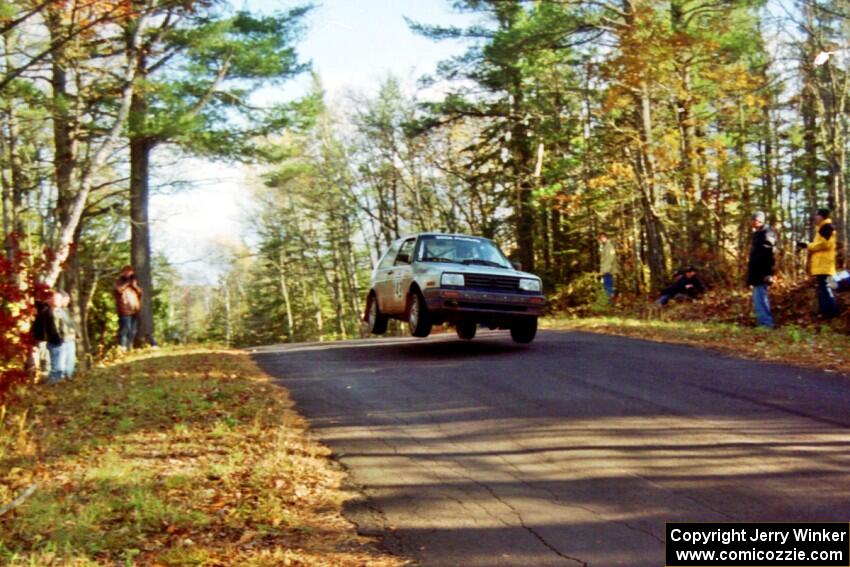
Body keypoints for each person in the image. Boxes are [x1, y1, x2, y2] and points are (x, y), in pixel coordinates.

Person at [797, 208, 840, 319]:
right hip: (822, 266)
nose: (815, 217)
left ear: (822, 216)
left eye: (817, 215)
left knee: (826, 288)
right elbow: (820, 244)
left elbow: (825, 244)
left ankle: (832, 314)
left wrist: (808, 245)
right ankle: (825, 314)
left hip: (825, 265)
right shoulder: (821, 229)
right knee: (823, 289)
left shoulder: (827, 228)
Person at [32, 291, 70, 384]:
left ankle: (55, 382)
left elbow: (65, 327)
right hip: (49, 341)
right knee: (50, 365)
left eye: (59, 299)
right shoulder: (45, 311)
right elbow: (49, 329)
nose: (58, 301)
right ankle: (51, 384)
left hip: (60, 341)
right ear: (49, 300)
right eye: (56, 298)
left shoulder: (61, 312)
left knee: (59, 366)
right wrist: (56, 340)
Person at [747, 211, 776, 328]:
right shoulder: (758, 233)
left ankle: (766, 324)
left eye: (753, 220)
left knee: (761, 298)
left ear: (758, 220)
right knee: (758, 298)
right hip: (756, 272)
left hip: (762, 273)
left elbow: (770, 254)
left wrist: (769, 273)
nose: (752, 222)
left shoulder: (767, 233)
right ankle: (762, 323)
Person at [114, 265, 142, 350]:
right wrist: (127, 284)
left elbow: (140, 293)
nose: (128, 273)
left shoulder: (134, 281)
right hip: (124, 310)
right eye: (126, 271)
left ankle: (130, 346)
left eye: (130, 271)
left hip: (134, 310)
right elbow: (118, 290)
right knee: (125, 330)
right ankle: (122, 347)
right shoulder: (118, 281)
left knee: (133, 331)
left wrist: (135, 286)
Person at [58, 291, 78, 379]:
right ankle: (61, 377)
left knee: (70, 359)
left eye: (68, 301)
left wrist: (74, 333)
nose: (67, 302)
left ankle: (68, 376)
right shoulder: (56, 311)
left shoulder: (67, 310)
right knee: (61, 359)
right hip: (63, 339)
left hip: (70, 338)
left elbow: (71, 324)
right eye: (65, 300)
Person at [598, 232, 619, 303]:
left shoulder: (609, 246)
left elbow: (610, 258)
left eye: (602, 238)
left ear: (605, 237)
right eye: (600, 238)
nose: (600, 240)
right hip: (606, 270)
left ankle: (609, 302)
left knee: (608, 286)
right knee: (606, 286)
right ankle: (608, 302)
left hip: (607, 270)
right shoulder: (605, 246)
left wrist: (605, 270)